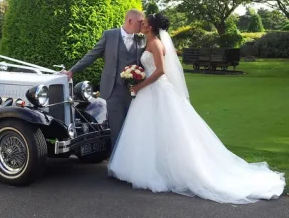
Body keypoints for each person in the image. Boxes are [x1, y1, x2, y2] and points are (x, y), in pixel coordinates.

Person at [107, 12, 285, 204]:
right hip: (148, 92)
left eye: (144, 23)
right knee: (149, 130)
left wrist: (140, 85)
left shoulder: (155, 44)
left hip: (156, 90)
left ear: (150, 27)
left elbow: (160, 70)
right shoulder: (147, 42)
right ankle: (149, 166)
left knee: (167, 129)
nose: (141, 25)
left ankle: (167, 170)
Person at [64, 9, 146, 150]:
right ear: (130, 21)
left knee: (132, 129)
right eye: (140, 22)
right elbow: (92, 55)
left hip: (136, 92)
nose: (142, 25)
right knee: (116, 128)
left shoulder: (142, 38)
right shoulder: (109, 35)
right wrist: (73, 70)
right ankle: (114, 166)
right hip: (113, 89)